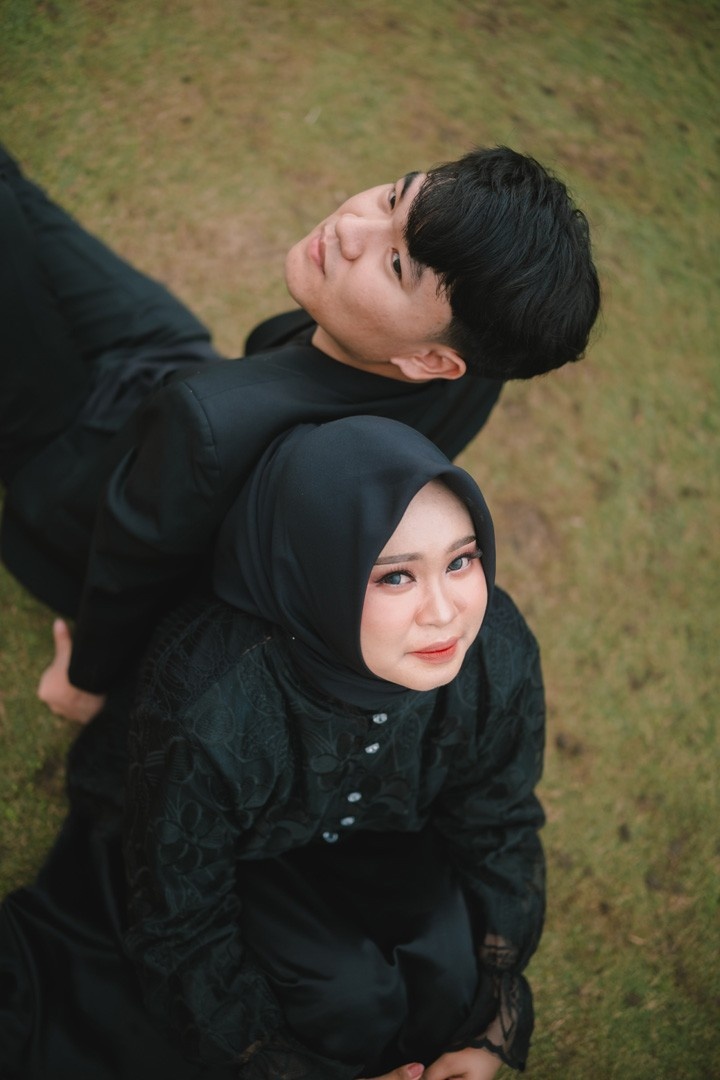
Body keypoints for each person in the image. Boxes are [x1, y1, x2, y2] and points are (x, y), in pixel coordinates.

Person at [0, 416, 545, 1080]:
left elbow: (498, 815)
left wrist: (491, 1026)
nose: (444, 612)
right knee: (350, 999)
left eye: (461, 560)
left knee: (449, 986)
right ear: (315, 574)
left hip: (381, 838)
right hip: (240, 855)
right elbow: (183, 919)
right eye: (395, 577)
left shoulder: (495, 650)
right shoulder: (212, 703)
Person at [0, 143, 599, 724]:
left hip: (72, 456)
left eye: (395, 264)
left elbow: (129, 567)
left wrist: (86, 681)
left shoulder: (210, 421)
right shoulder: (477, 363)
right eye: (394, 198)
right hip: (174, 375)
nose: (350, 228)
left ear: (431, 362)